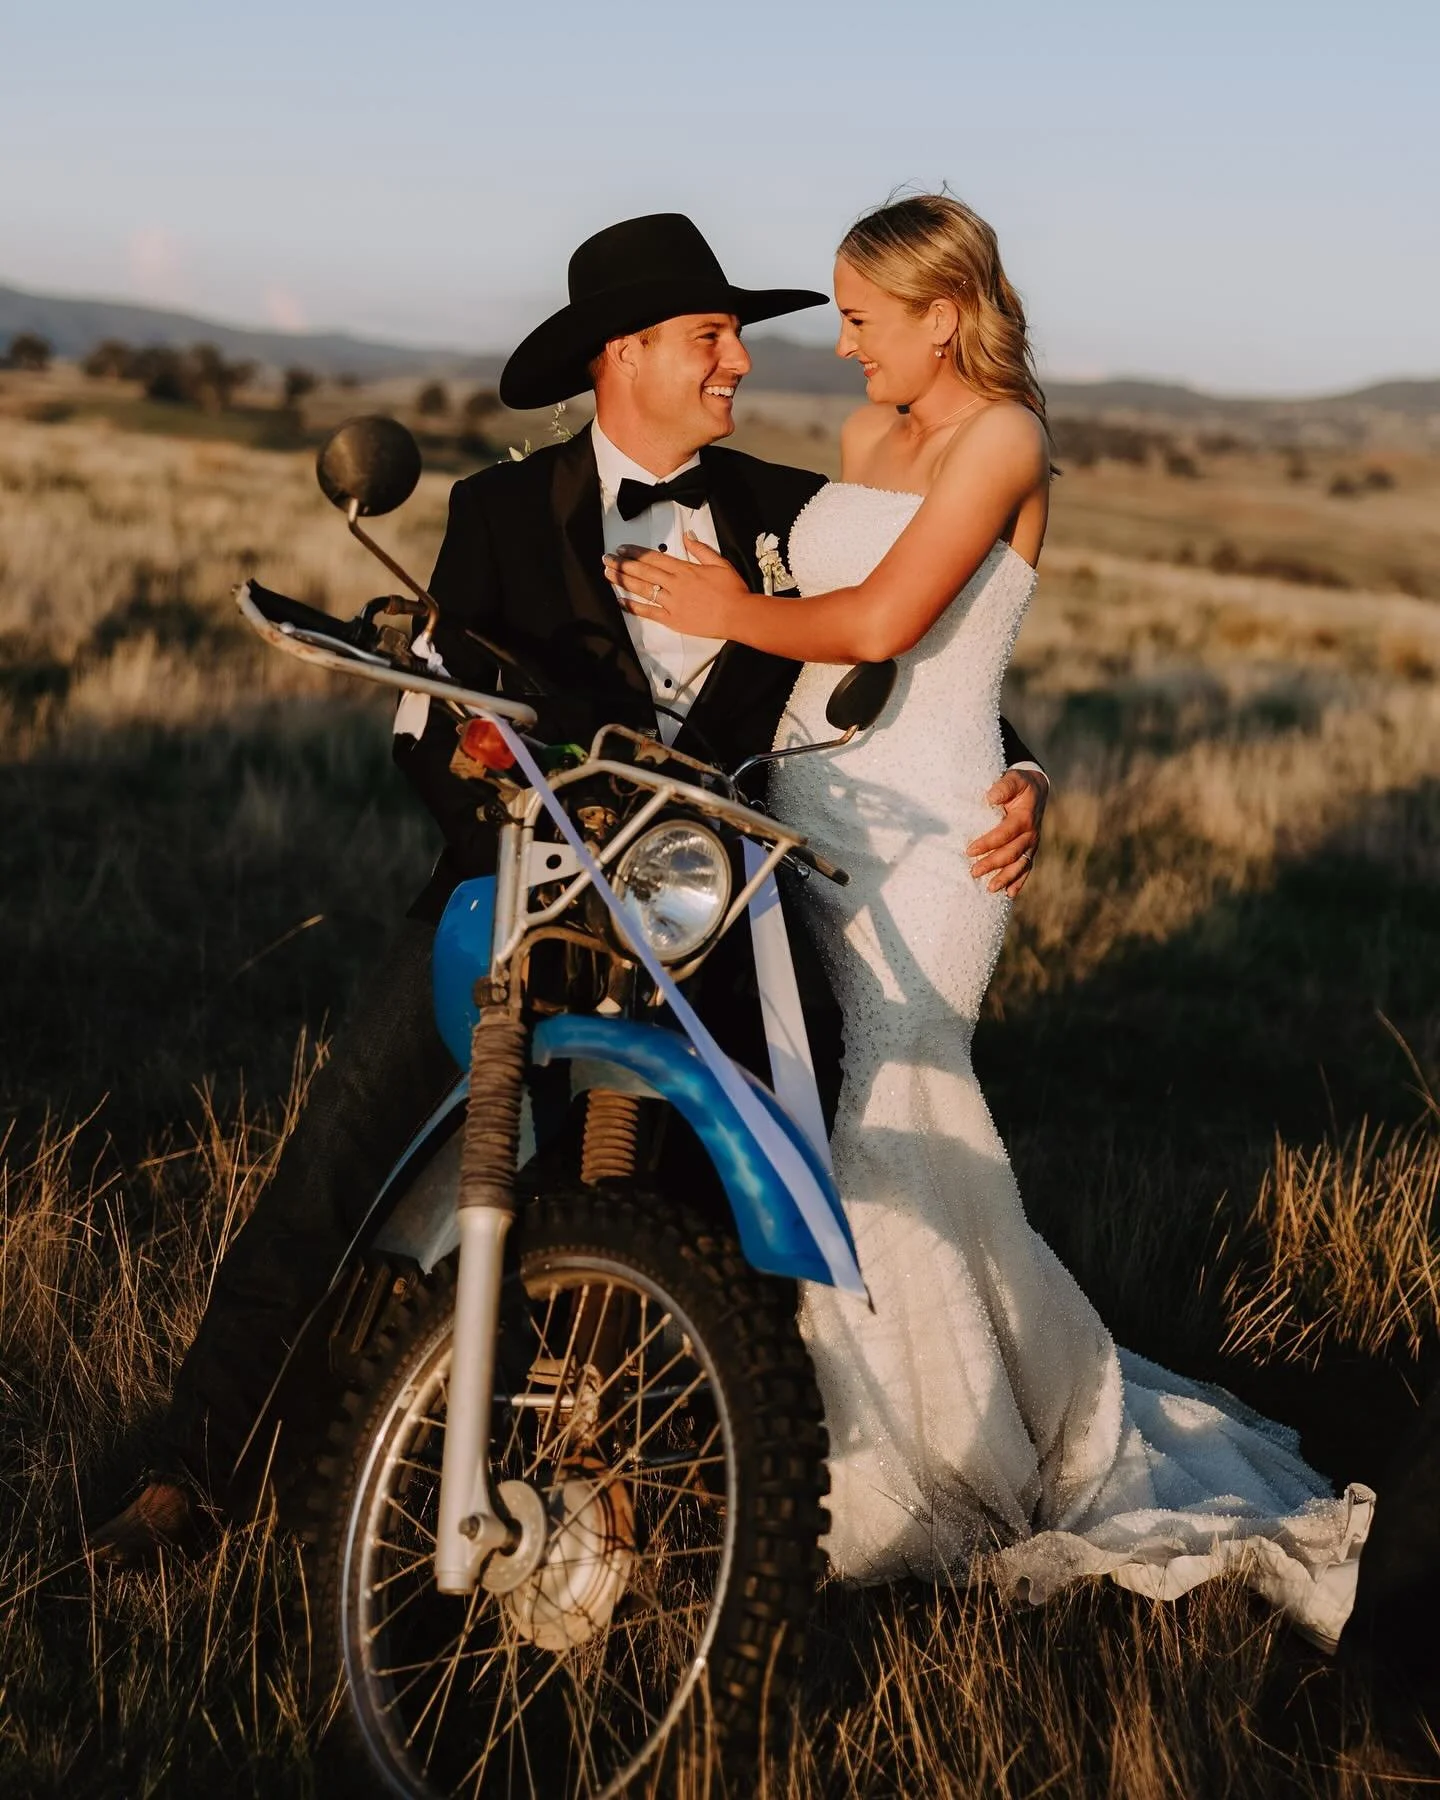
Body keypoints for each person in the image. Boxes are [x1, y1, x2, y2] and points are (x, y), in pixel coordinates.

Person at [90, 211, 1050, 1560]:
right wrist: (532, 829)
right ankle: (190, 1475)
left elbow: (912, 667)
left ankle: (653, 1481)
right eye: (712, 338)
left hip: (702, 921)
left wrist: (1024, 769)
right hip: (507, 892)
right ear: (626, 353)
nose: (741, 366)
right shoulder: (496, 514)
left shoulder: (783, 509)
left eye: (737, 338)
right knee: (332, 1161)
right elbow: (426, 725)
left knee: (718, 1186)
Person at [606, 192, 1373, 1650]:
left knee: (896, 1110)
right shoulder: (862, 440)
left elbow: (890, 625)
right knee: (828, 1119)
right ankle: (848, 1407)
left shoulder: (1006, 436)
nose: (839, 350)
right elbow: (843, 659)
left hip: (936, 852)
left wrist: (716, 604)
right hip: (815, 821)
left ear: (944, 314)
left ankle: (932, 1460)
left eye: (861, 318)